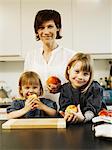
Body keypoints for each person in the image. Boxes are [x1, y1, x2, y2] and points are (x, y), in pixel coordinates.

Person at [24, 9, 74, 108]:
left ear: (58, 28)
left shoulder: (71, 56)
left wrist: (61, 88)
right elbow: (25, 84)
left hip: (64, 112)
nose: (46, 32)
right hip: (36, 112)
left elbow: (79, 87)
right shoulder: (31, 56)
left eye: (50, 26)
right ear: (37, 31)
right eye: (41, 28)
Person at [59, 52, 106, 123]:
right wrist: (69, 114)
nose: (80, 77)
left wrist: (83, 118)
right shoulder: (65, 89)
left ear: (90, 75)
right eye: (77, 71)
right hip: (72, 124)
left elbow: (91, 110)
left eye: (85, 74)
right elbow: (65, 106)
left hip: (93, 125)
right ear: (68, 70)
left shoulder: (96, 88)